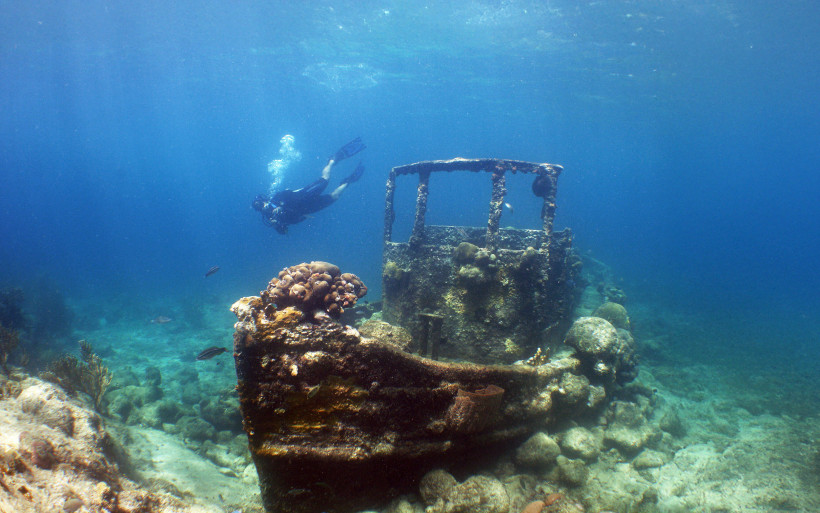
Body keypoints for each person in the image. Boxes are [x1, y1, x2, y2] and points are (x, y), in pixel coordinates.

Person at [253, 137, 365, 234]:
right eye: (258, 207)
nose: (261, 206)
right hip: (307, 210)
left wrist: (281, 206)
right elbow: (285, 232)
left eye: (260, 203)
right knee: (334, 197)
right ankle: (348, 181)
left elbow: (289, 193)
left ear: (263, 200)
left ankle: (332, 160)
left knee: (325, 180)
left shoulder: (275, 198)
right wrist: (277, 225)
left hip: (304, 196)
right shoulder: (270, 219)